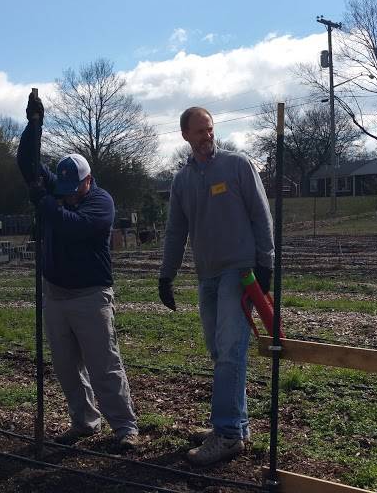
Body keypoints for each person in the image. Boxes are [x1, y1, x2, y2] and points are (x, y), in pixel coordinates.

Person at [158, 107, 274, 465]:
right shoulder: (182, 181)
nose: (207, 136)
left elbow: (260, 213)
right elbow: (176, 231)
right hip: (206, 274)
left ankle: (226, 434)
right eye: (200, 132)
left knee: (230, 349)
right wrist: (167, 273)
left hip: (239, 272)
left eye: (210, 130)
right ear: (185, 136)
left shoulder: (237, 165)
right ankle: (236, 424)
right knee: (218, 350)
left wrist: (265, 263)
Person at [36, 153, 139, 449]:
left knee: (104, 364)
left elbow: (73, 226)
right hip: (55, 294)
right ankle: (83, 422)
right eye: (64, 188)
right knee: (66, 366)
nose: (68, 194)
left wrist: (45, 202)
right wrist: (33, 125)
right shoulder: (63, 189)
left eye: (74, 188)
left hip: (91, 295)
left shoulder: (101, 202)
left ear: (88, 180)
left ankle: (124, 427)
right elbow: (27, 163)